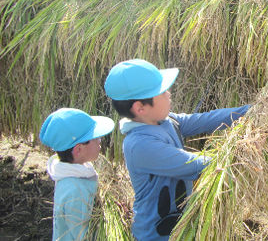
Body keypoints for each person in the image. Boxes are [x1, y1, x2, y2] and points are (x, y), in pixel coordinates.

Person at [103, 59, 249, 241]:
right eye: (162, 92)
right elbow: (195, 165)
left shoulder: (167, 121)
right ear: (140, 108)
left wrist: (249, 112)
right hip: (157, 235)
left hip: (179, 224)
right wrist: (244, 150)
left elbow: (205, 119)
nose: (168, 93)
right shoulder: (139, 145)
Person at [39, 108, 115, 241]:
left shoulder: (75, 170)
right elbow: (85, 235)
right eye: (95, 137)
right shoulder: (75, 191)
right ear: (79, 150)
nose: (100, 140)